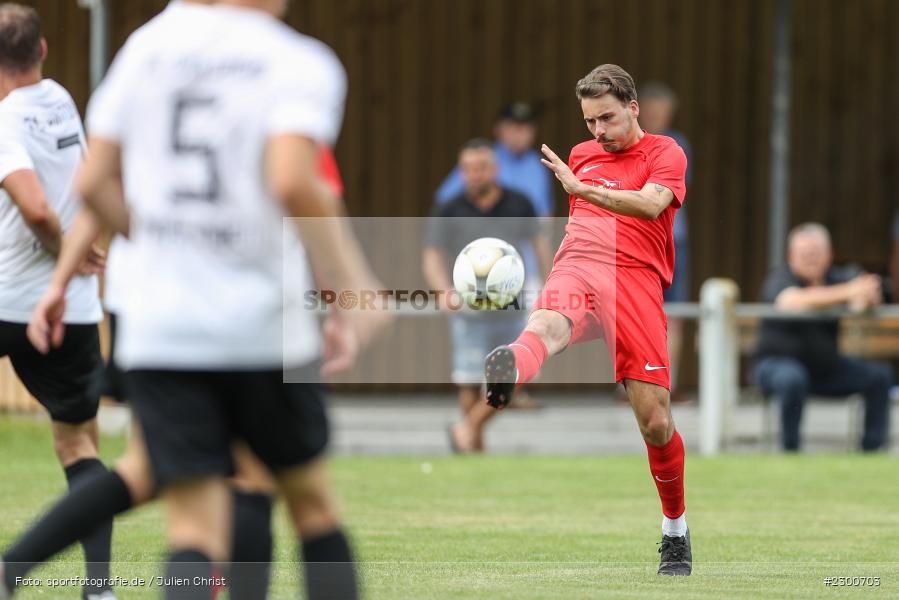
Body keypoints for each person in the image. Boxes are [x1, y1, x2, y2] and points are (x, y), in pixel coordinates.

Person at [13, 1, 385, 598]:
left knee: (190, 524)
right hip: (259, 324)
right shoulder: (297, 61)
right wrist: (354, 291)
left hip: (162, 324)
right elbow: (294, 181)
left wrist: (162, 243)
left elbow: (93, 184)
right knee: (308, 504)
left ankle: (17, 565)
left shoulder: (147, 49)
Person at [482, 64, 692, 575]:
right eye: (590, 121)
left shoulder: (666, 152)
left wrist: (585, 188)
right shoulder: (581, 154)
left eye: (607, 118)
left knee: (655, 421)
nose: (597, 131)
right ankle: (511, 363)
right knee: (546, 326)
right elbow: (584, 220)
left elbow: (649, 206)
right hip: (579, 264)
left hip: (635, 280)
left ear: (633, 108)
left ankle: (675, 530)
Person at [0, 5, 115, 598]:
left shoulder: (4, 121)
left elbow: (37, 206)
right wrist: (81, 253)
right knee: (78, 446)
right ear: (42, 51)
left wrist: (62, 246)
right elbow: (93, 180)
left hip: (9, 300)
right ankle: (99, 589)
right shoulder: (63, 100)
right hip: (71, 307)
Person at [423, 139, 549, 452]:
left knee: (514, 379)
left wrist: (549, 286)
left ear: (495, 169)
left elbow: (541, 246)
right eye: (468, 169)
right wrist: (443, 291)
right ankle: (474, 449)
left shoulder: (520, 202)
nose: (475, 175)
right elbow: (431, 254)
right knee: (467, 381)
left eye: (481, 168)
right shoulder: (449, 208)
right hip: (469, 307)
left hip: (514, 306)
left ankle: (466, 429)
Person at [753, 222, 892, 452]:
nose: (811, 259)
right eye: (805, 254)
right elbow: (790, 301)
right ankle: (791, 451)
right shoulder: (779, 277)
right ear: (791, 256)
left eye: (816, 254)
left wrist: (868, 294)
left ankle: (871, 452)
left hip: (825, 368)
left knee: (879, 376)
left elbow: (863, 299)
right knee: (792, 378)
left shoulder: (837, 277)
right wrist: (848, 291)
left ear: (830, 255)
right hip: (775, 366)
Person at [638, 82, 692, 399]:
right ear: (638, 110)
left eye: (663, 111)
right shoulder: (626, 142)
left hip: (673, 240)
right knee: (636, 312)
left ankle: (666, 387)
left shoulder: (677, 144)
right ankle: (633, 384)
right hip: (637, 241)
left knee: (676, 312)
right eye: (652, 109)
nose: (658, 117)